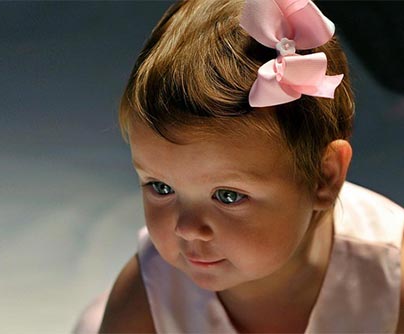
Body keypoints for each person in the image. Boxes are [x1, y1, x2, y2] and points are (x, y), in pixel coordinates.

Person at [74, 0, 404, 332]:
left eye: (228, 196)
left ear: (324, 177)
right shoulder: (149, 294)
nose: (186, 228)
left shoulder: (391, 270)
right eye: (161, 187)